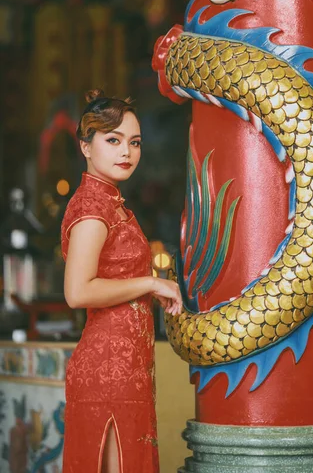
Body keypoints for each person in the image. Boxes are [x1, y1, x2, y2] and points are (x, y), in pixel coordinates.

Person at [61, 89, 182, 473]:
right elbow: (77, 291)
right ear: (85, 146)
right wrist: (151, 283)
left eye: (134, 142)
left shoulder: (112, 204)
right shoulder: (93, 208)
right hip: (106, 370)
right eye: (112, 141)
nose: (126, 152)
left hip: (128, 369)